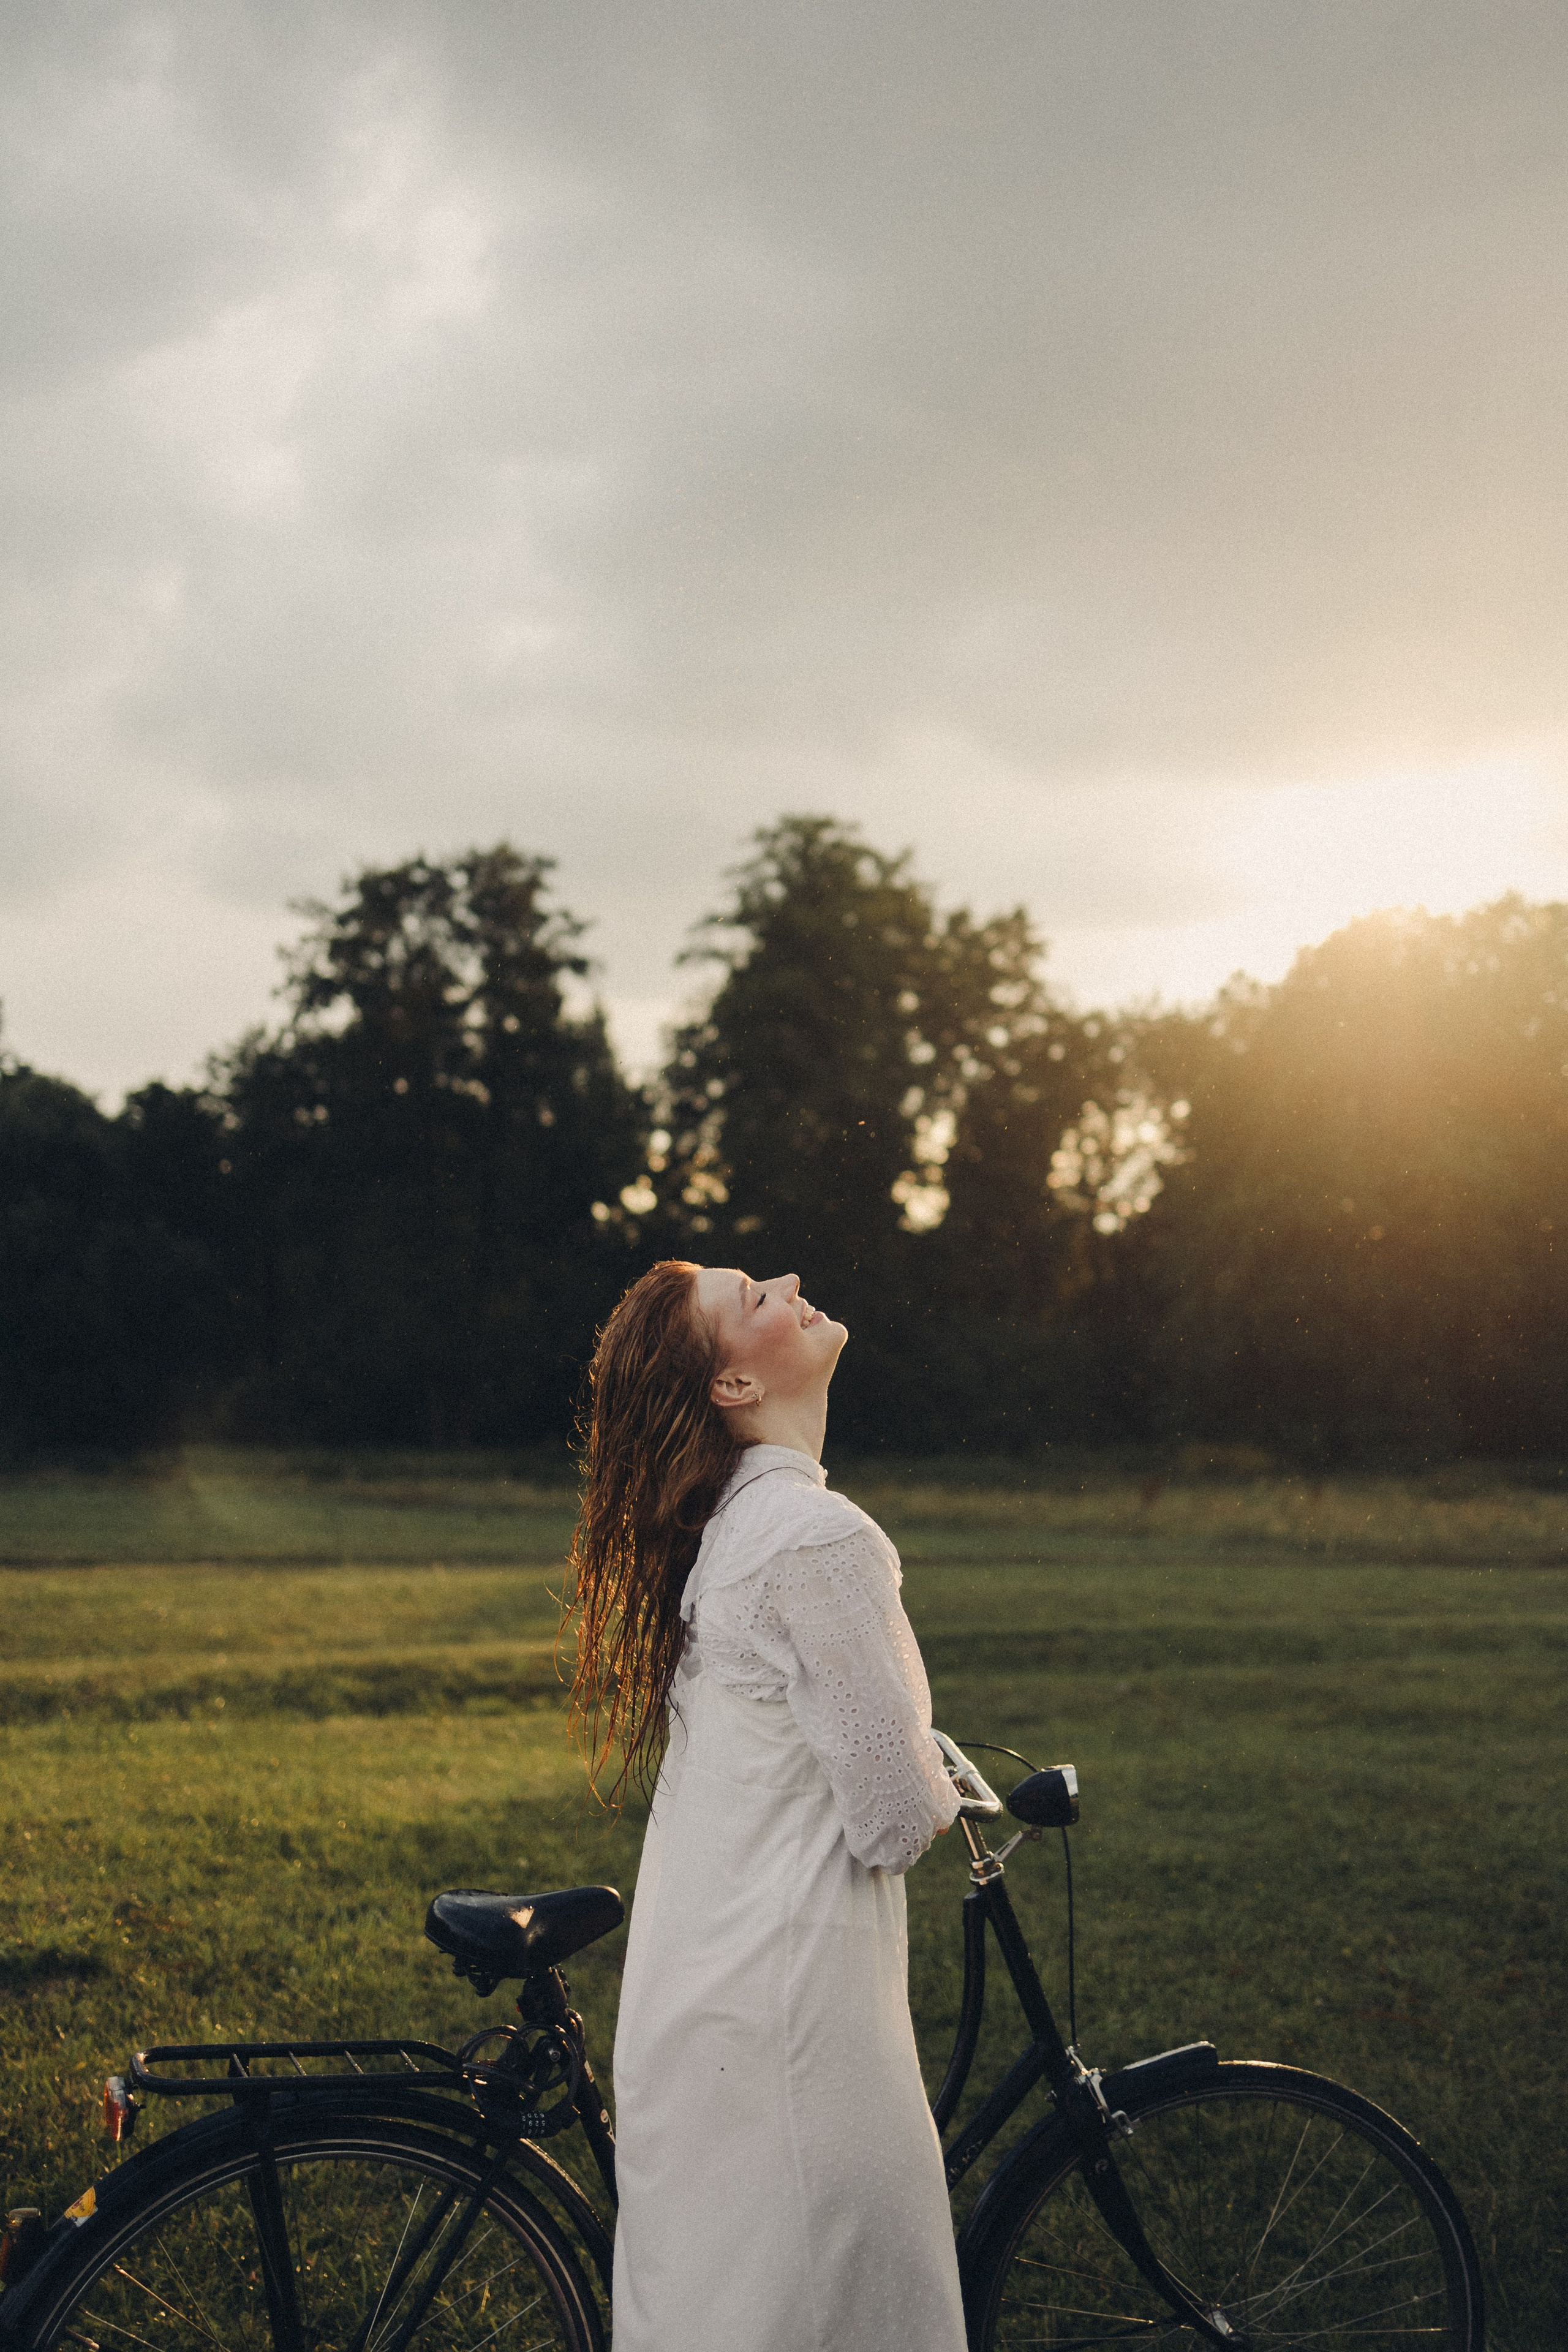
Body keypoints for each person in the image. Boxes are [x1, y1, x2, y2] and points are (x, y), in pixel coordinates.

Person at [564, 1259, 966, 2352]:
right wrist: (944, 1780)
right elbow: (892, 1816)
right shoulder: (816, 1539)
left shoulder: (735, 1541)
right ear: (734, 1389)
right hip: (794, 2034)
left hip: (707, 2019)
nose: (789, 1279)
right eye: (752, 1299)